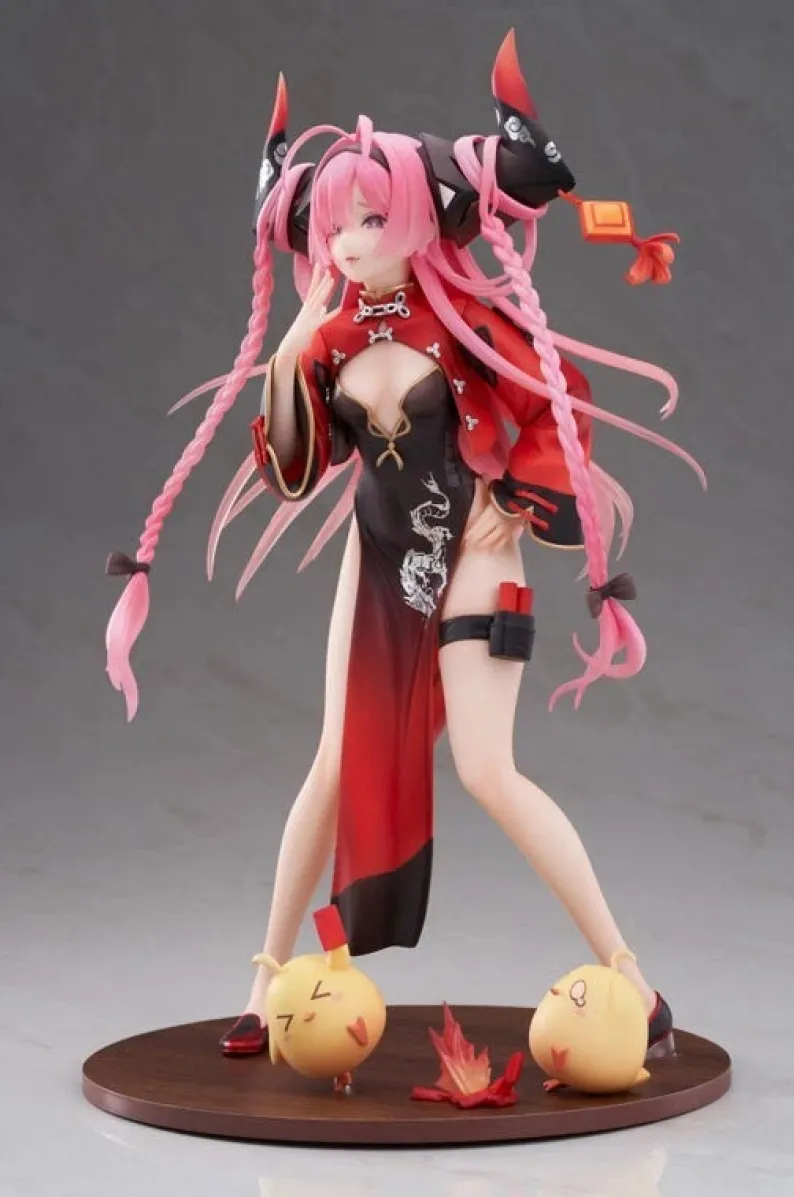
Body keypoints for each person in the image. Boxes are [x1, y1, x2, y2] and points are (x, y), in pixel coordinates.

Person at [104, 31, 704, 1060]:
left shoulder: (459, 320)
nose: (346, 241)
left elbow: (558, 400)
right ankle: (264, 980)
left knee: (487, 770)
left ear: (419, 216)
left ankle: (634, 980)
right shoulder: (331, 338)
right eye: (334, 224)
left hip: (475, 556)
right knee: (331, 761)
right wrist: (289, 352)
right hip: (379, 560)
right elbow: (295, 469)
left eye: (371, 219)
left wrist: (514, 496)